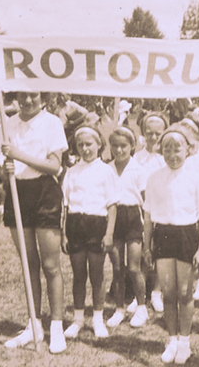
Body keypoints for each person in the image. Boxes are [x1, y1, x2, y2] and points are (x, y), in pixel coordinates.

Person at [0, 91, 67, 353]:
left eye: (33, 96)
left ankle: (56, 327)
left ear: (42, 97)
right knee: (29, 263)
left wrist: (19, 155)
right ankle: (33, 325)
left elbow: (54, 166)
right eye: (22, 96)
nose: (27, 101)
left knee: (50, 265)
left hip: (45, 193)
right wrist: (5, 169)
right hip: (18, 193)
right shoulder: (6, 124)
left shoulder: (52, 123)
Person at [143, 124, 199, 364]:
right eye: (167, 149)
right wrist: (147, 246)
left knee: (184, 292)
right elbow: (149, 216)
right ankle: (171, 339)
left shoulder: (197, 177)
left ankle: (185, 341)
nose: (172, 154)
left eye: (177, 149)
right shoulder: (153, 178)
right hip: (163, 236)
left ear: (188, 149)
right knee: (168, 293)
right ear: (160, 151)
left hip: (186, 236)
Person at [61, 126, 117, 339]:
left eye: (89, 144)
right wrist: (64, 233)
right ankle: (77, 319)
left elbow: (112, 205)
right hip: (76, 224)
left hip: (97, 225)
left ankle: (97, 318)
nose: (85, 149)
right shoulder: (72, 171)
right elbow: (65, 205)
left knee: (97, 274)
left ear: (99, 145)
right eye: (80, 145)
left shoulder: (106, 171)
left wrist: (109, 233)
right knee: (78, 275)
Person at [105, 126, 148, 328]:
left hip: (133, 217)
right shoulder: (106, 168)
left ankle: (141, 307)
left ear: (132, 146)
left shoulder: (139, 169)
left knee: (133, 267)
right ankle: (119, 308)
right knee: (117, 268)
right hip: (113, 217)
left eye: (123, 146)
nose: (119, 150)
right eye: (115, 146)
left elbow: (146, 201)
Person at [133, 112, 168, 313]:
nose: (154, 137)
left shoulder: (167, 157)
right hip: (141, 210)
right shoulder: (136, 158)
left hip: (162, 211)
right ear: (143, 134)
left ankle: (156, 292)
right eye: (149, 133)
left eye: (158, 133)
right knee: (141, 252)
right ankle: (140, 292)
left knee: (159, 251)